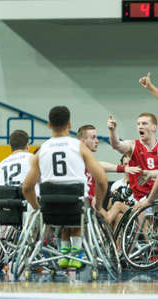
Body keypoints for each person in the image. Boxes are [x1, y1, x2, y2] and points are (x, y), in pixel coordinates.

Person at [22, 106, 107, 269]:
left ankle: (63, 255)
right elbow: (102, 179)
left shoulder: (41, 151)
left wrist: (37, 207)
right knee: (75, 212)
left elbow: (27, 187)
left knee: (61, 212)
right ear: (69, 125)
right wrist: (100, 204)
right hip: (76, 205)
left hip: (50, 207)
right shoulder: (78, 146)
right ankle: (75, 255)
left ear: (49, 125)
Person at [76, 124, 140, 209]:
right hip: (79, 207)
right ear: (83, 141)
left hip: (91, 209)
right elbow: (99, 165)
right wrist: (124, 168)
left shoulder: (89, 161)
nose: (97, 141)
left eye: (96, 137)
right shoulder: (78, 159)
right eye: (93, 137)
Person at [107, 113, 158, 202]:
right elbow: (117, 145)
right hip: (139, 199)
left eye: (144, 123)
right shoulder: (133, 145)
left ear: (154, 127)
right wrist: (112, 131)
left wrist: (151, 174)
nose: (140, 126)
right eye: (138, 124)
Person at [0, 129, 38, 209]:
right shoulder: (33, 159)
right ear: (27, 145)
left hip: (6, 217)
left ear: (11, 146)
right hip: (30, 213)